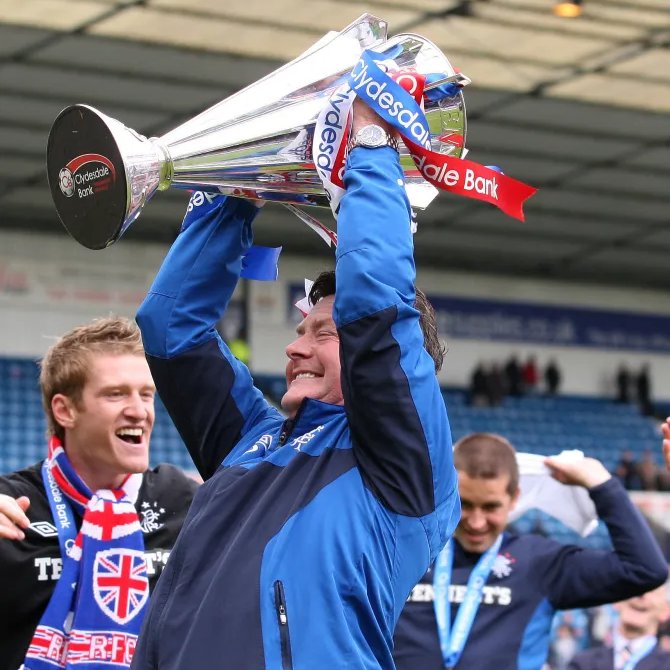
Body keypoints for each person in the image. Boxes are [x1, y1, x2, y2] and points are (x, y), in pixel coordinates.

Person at [130, 98, 459, 669]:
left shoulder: (403, 462)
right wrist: (236, 190)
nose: (294, 347)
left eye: (322, 333)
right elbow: (170, 329)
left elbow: (377, 307)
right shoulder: (250, 439)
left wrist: (372, 149)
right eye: (299, 330)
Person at [0, 316, 198, 670]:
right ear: (65, 410)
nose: (139, 411)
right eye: (116, 394)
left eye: (146, 395)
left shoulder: (183, 500)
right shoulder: (12, 506)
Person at [393, 432, 668, 670]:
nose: (477, 522)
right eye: (465, 504)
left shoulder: (539, 562)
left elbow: (645, 570)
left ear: (514, 498)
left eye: (490, 507)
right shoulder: (406, 554)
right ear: (447, 495)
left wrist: (602, 486)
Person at [568, 581, 670, 669]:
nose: (641, 595)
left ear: (666, 610)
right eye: (636, 587)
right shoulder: (582, 663)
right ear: (616, 600)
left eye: (652, 590)